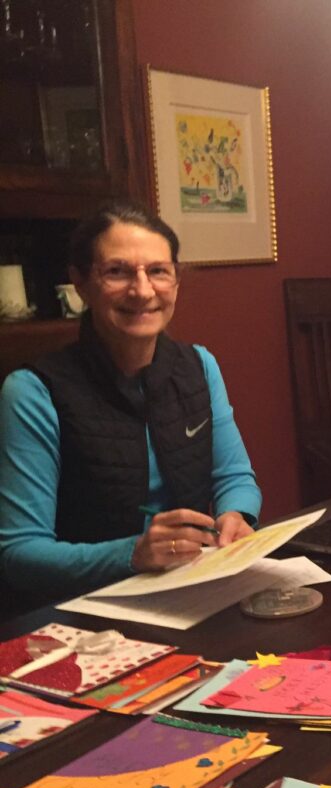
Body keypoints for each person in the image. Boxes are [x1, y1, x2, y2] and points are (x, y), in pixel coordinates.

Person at [0, 201, 262, 600]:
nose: (142, 291)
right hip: (85, 615)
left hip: (189, 589)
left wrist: (235, 516)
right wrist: (133, 555)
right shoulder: (33, 392)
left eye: (158, 271)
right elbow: (18, 554)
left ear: (176, 282)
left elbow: (234, 477)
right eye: (117, 272)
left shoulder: (200, 366)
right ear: (82, 284)